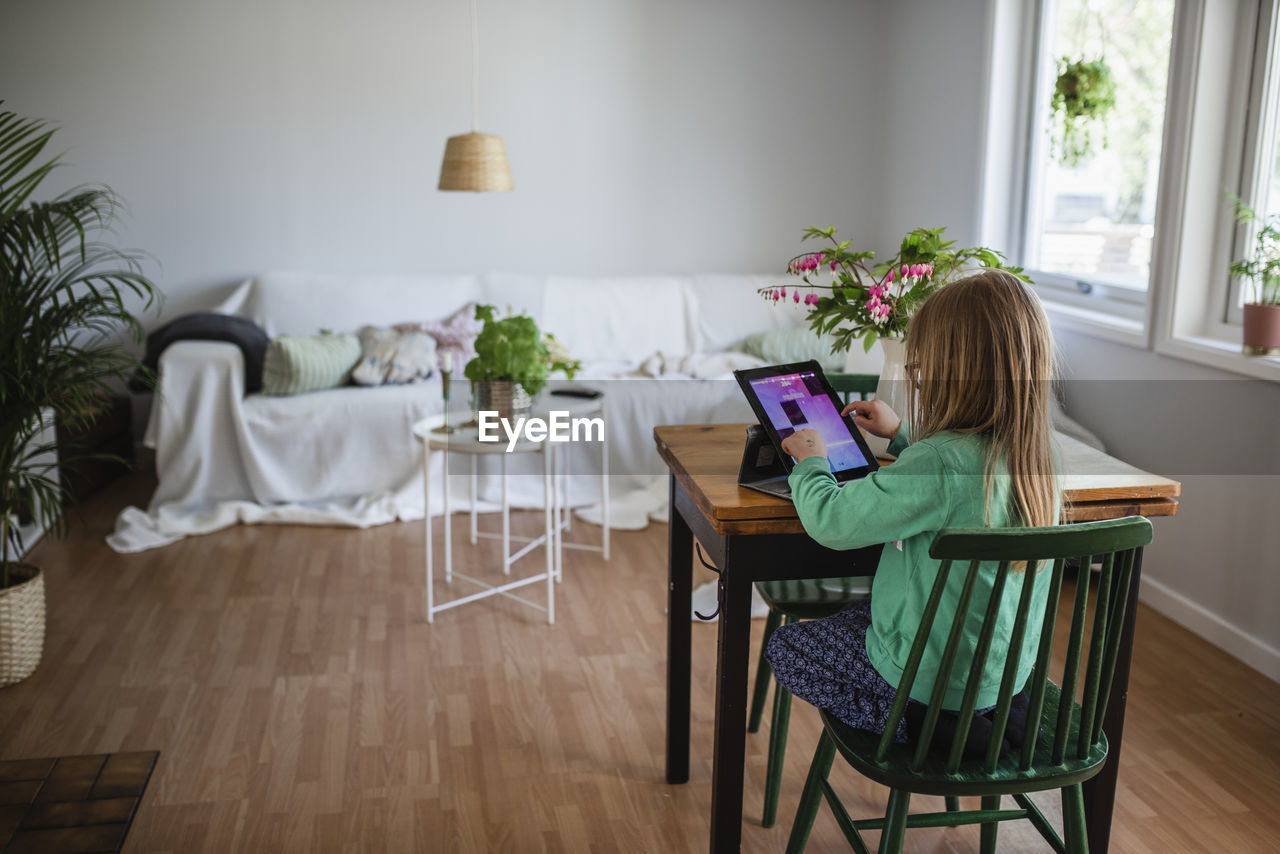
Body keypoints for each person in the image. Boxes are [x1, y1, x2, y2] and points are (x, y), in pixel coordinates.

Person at [767, 269, 1061, 746]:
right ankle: (970, 718)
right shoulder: (1038, 453)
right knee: (865, 611)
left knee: (786, 647)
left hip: (930, 683)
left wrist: (812, 462)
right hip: (1000, 674)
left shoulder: (938, 463)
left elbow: (833, 523)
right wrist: (903, 434)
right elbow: (957, 476)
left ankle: (921, 726)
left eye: (921, 366)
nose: (916, 377)